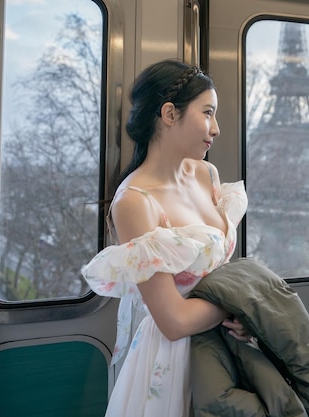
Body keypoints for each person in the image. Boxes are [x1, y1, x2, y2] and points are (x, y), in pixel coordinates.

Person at [81, 59, 249, 417]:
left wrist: (241, 317)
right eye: (208, 113)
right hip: (175, 361)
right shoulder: (135, 202)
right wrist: (242, 306)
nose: (216, 128)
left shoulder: (206, 173)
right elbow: (172, 322)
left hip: (224, 346)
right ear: (170, 113)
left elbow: (221, 271)